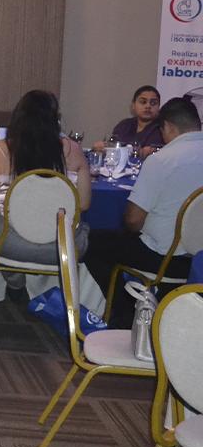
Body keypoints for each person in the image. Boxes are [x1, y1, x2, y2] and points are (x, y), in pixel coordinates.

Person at [84, 97, 203, 327]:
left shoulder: (162, 160)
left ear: (167, 126)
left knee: (91, 241)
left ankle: (124, 313)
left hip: (165, 258)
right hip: (199, 261)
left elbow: (133, 221)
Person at [0, 90, 91, 265]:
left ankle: (15, 283)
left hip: (9, 244)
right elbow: (83, 204)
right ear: (55, 118)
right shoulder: (74, 150)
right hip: (62, 247)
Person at [103, 85, 164, 159]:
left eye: (153, 103)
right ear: (133, 106)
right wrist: (103, 148)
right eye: (143, 102)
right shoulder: (124, 125)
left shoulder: (163, 128)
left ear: (159, 107)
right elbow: (112, 148)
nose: (148, 106)